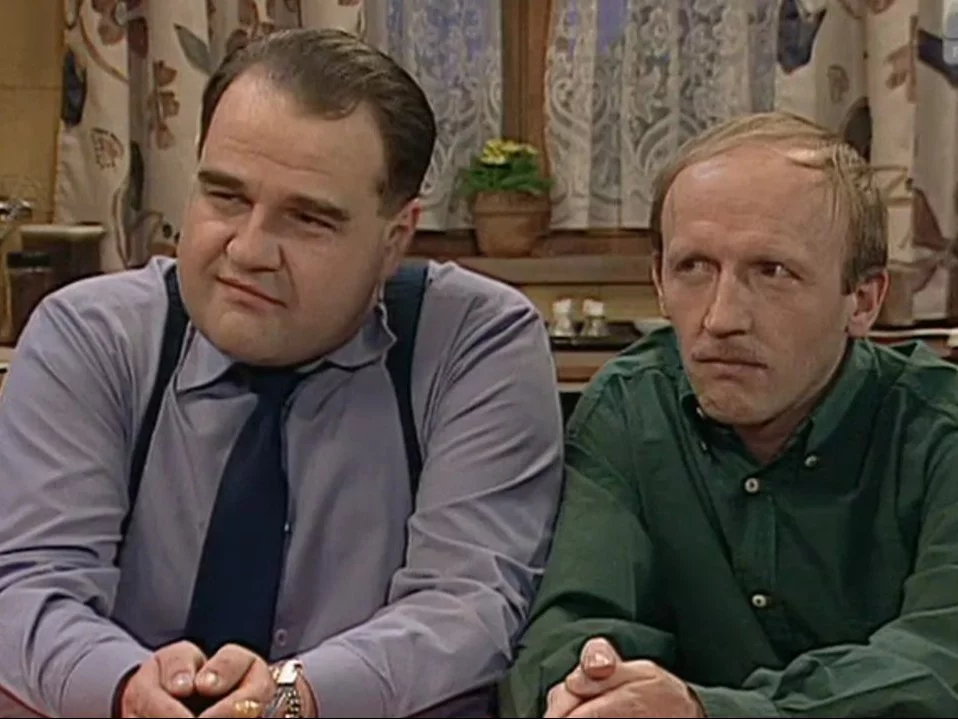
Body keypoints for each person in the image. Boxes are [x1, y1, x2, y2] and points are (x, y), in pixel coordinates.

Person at [0, 29, 564, 718]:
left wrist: (292, 697)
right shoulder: (91, 336)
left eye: (307, 219)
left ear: (395, 239)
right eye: (226, 197)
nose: (248, 249)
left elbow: (468, 605)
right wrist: (126, 688)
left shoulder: (472, 342)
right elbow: (28, 587)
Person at [499, 111, 958, 717]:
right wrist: (588, 688)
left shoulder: (937, 429)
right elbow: (573, 627)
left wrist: (706, 712)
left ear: (863, 301)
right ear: (658, 281)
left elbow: (938, 666)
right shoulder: (633, 407)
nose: (721, 319)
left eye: (772, 272)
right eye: (693, 268)